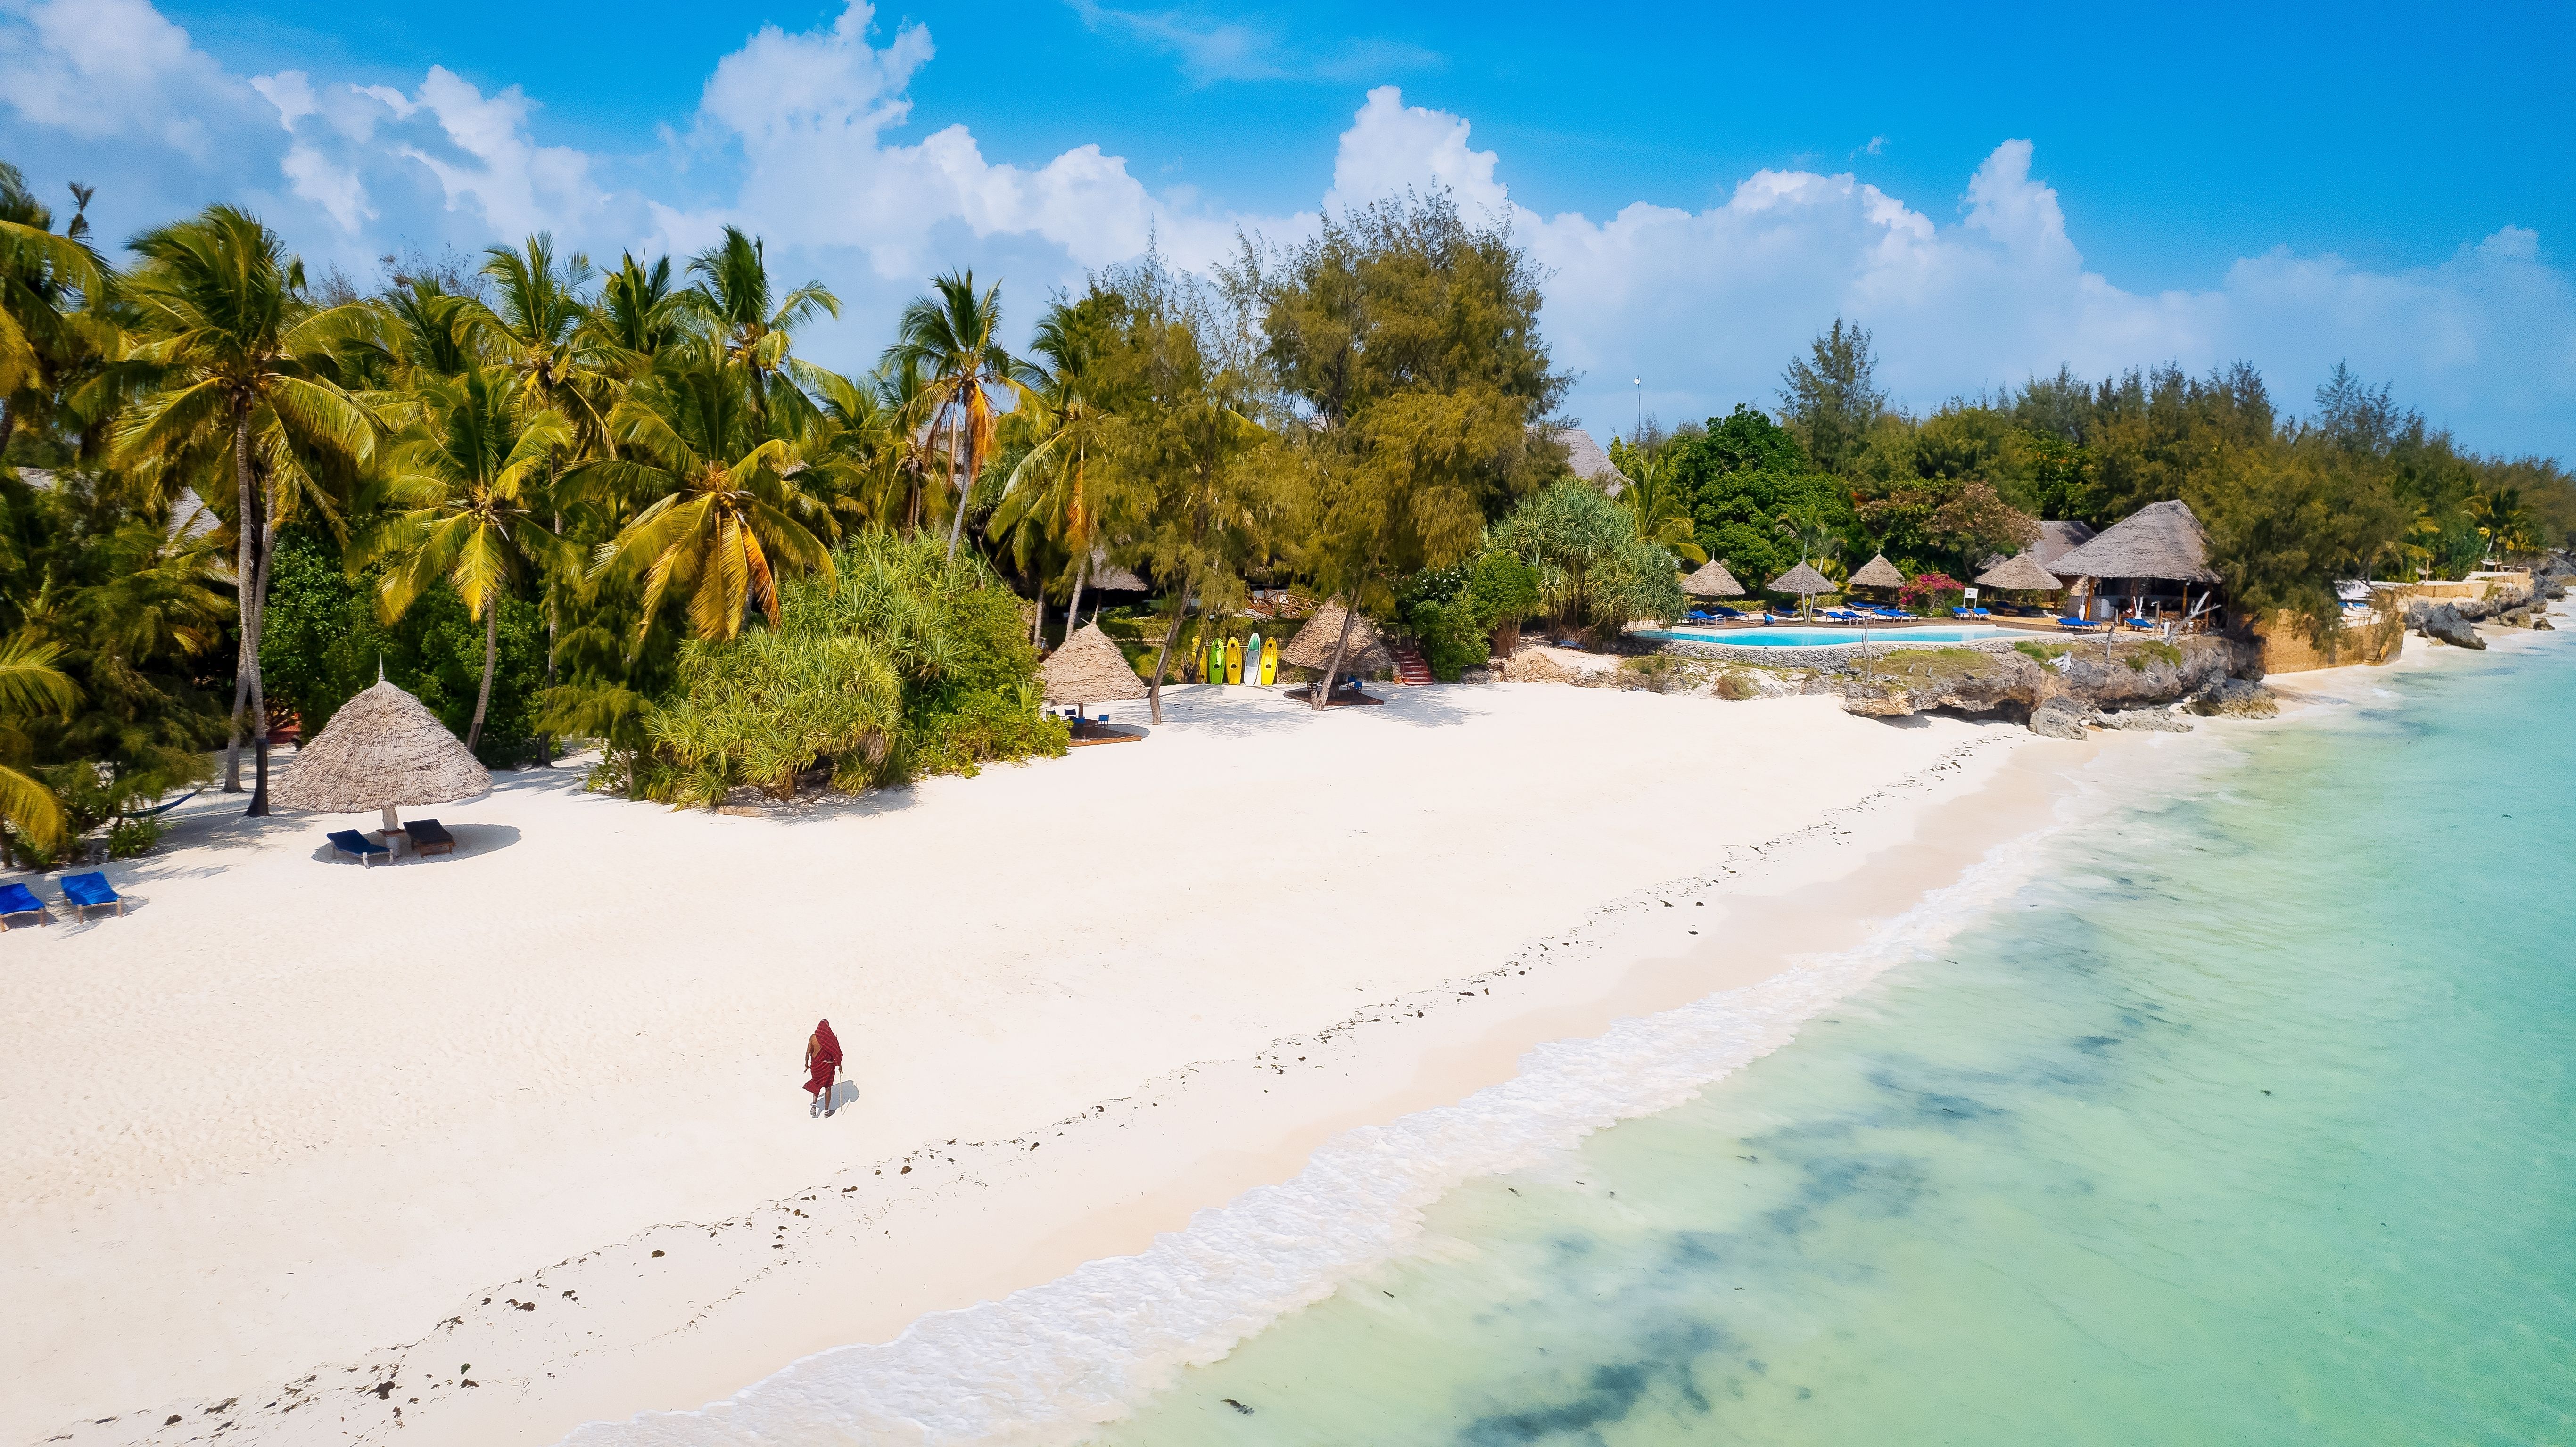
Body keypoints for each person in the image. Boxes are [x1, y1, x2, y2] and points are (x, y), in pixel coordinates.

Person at [804, 1019, 844, 1118]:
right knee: (828, 1088)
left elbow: (808, 1053)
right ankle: (826, 1112)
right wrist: (840, 1066)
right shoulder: (830, 1039)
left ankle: (814, 1105)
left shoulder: (813, 1037)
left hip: (816, 1066)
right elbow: (837, 1052)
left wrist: (806, 1064)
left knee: (816, 1083)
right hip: (827, 1067)